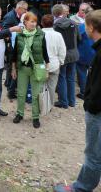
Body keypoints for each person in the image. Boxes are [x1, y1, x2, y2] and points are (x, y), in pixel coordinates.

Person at [54, 10, 101, 192]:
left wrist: (89, 105)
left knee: (93, 153)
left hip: (97, 110)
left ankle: (81, 188)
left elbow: (97, 87)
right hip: (74, 57)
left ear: (91, 27)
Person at [11, 12, 49, 128]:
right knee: (21, 93)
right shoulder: (19, 36)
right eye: (31, 21)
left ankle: (35, 117)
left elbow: (45, 53)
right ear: (25, 22)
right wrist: (13, 69)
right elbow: (14, 54)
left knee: (35, 95)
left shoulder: (41, 35)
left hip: (36, 69)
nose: (34, 24)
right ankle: (20, 114)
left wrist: (47, 69)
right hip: (22, 68)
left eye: (35, 22)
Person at [0, 6, 21, 118]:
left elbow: (2, 36)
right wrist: (10, 30)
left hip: (0, 63)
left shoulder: (0, 25)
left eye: (0, 15)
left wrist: (7, 38)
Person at [52, 4, 80, 109]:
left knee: (62, 77)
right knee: (71, 78)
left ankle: (63, 102)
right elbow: (79, 38)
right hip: (73, 54)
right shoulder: (74, 23)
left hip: (62, 56)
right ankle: (71, 102)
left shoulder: (55, 25)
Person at [2, 0, 28, 100]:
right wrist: (9, 38)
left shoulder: (18, 16)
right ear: (19, 8)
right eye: (25, 9)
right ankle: (10, 87)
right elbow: (4, 30)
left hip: (15, 44)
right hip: (11, 45)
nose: (26, 11)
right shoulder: (10, 16)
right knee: (10, 65)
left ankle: (9, 84)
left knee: (11, 65)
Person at [41, 14, 66, 105]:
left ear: (42, 23)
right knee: (52, 86)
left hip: (41, 64)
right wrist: (60, 61)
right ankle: (50, 104)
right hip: (54, 64)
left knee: (40, 85)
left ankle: (41, 103)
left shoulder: (38, 34)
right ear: (53, 23)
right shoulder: (58, 35)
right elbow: (62, 50)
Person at [76, 6, 95, 100]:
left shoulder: (81, 26)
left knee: (82, 73)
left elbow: (77, 40)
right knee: (94, 73)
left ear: (84, 14)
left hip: (83, 54)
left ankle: (84, 92)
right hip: (95, 53)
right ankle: (93, 91)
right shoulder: (97, 25)